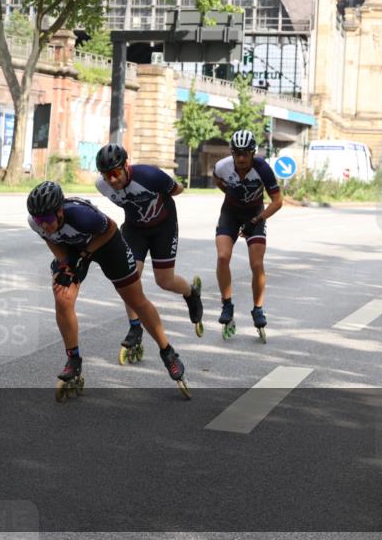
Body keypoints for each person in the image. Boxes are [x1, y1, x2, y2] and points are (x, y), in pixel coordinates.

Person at [26, 180, 189, 399]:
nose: (43, 224)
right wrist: (65, 263)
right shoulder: (36, 223)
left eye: (46, 219)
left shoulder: (82, 215)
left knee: (136, 300)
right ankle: (73, 360)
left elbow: (110, 228)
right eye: (39, 220)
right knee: (62, 297)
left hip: (107, 245)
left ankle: (168, 352)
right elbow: (50, 238)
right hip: (73, 248)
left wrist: (84, 256)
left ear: (60, 211)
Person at [94, 144, 204, 365]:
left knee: (165, 281)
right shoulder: (102, 186)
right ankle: (135, 328)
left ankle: (191, 293)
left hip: (163, 226)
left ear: (126, 165)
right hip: (135, 229)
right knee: (129, 277)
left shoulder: (149, 175)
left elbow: (177, 190)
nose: (112, 180)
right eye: (107, 176)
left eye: (115, 173)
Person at [212, 129, 283, 341]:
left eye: (246, 154)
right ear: (232, 152)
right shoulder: (222, 166)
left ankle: (258, 308)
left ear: (253, 153)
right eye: (237, 153)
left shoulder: (263, 169)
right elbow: (218, 180)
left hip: (255, 214)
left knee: (256, 264)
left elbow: (278, 201)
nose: (241, 158)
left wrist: (257, 220)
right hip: (230, 213)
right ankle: (227, 305)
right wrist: (231, 193)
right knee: (223, 256)